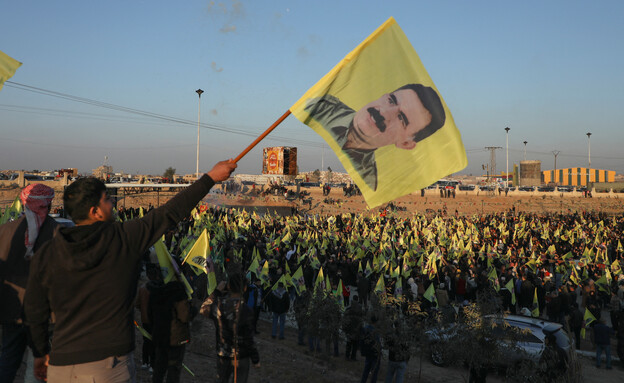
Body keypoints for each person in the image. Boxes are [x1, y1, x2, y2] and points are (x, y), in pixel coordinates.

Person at [23, 160, 236, 382]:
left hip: (61, 365)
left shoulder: (48, 251)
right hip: (108, 366)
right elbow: (169, 213)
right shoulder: (122, 238)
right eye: (107, 200)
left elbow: (34, 309)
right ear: (94, 211)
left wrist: (39, 353)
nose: (112, 205)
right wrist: (210, 178)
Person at [304, 84, 446, 191]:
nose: (383, 112)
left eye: (401, 118)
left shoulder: (368, 181)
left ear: (405, 143)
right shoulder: (322, 108)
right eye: (391, 100)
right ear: (384, 95)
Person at [0, 184, 57, 383]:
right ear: (49, 205)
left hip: (12, 312)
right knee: (38, 367)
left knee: (7, 361)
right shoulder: (59, 233)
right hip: (45, 316)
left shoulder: (5, 231)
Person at [200, 268, 260, 383]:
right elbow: (249, 338)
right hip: (241, 357)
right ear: (245, 288)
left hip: (223, 354)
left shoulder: (219, 305)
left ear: (228, 286)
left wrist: (216, 291)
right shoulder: (246, 310)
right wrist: (255, 359)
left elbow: (203, 309)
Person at [148, 279, 191, 383]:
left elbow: (149, 315)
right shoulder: (179, 294)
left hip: (160, 337)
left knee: (159, 368)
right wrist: (192, 310)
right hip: (176, 340)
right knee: (173, 370)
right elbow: (185, 316)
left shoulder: (157, 293)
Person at [360, 315, 382, 383]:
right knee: (374, 371)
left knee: (366, 369)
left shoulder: (365, 328)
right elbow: (377, 343)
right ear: (376, 322)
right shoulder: (375, 331)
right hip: (374, 353)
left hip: (367, 352)